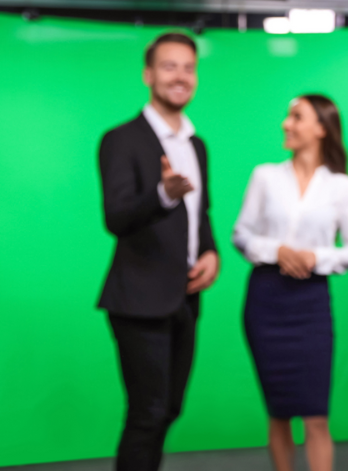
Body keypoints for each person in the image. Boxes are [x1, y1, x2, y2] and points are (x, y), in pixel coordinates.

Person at [97, 32, 220, 471]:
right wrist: (163, 194)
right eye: (170, 66)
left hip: (185, 298)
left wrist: (211, 253)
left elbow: (201, 214)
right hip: (138, 300)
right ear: (148, 74)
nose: (181, 76)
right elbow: (116, 216)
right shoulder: (121, 140)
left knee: (168, 409)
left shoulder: (196, 144)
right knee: (147, 413)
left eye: (189, 67)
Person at [233, 94, 348, 471]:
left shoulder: (344, 187)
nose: (285, 124)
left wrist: (315, 257)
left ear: (321, 129)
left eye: (296, 117)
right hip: (265, 300)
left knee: (316, 416)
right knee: (278, 413)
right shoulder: (264, 176)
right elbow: (240, 234)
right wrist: (277, 250)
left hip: (310, 303)